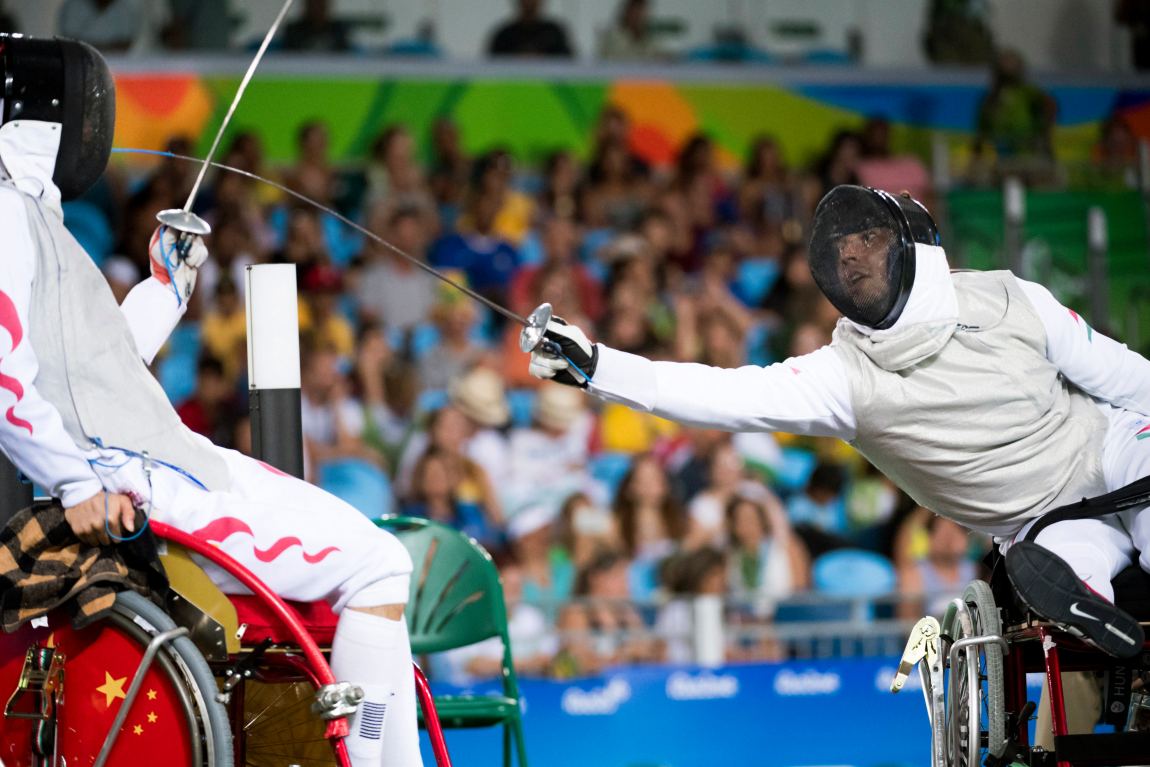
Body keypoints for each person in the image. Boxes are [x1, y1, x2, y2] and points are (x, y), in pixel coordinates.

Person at [0, 36, 422, 765]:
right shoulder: (9, 214)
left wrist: (165, 288)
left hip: (166, 464)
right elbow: (4, 369)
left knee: (379, 562)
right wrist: (76, 484)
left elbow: (99, 370)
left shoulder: (35, 214)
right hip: (141, 482)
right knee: (377, 565)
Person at [528, 182, 1150, 658]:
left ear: (914, 242)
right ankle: (1092, 610)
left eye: (867, 240)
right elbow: (722, 393)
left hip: (1113, 448)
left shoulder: (1011, 297)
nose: (850, 256)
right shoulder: (845, 377)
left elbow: (1126, 377)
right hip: (1039, 520)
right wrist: (598, 365)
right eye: (840, 251)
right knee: (1068, 569)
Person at [487, 0, 574, 58]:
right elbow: (492, 63)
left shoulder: (554, 32)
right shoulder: (504, 35)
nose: (529, 3)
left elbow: (567, 60)